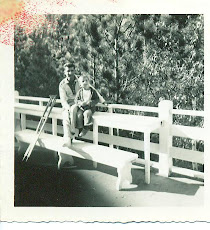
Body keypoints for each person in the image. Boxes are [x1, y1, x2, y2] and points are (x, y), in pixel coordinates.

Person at [59, 62, 78, 148]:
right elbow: (63, 100)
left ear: (74, 71)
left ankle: (71, 136)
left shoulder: (80, 81)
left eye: (72, 70)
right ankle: (67, 139)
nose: (70, 73)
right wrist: (68, 108)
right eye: (68, 71)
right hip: (68, 104)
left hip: (79, 103)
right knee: (65, 115)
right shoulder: (62, 84)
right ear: (64, 72)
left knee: (73, 110)